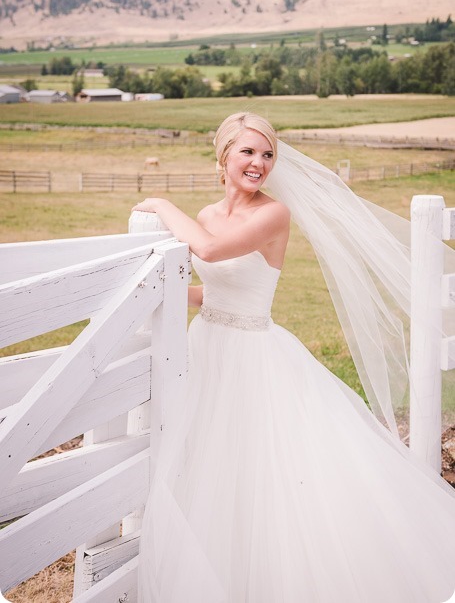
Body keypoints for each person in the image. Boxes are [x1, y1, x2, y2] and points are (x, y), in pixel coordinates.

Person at [132, 112, 455, 603]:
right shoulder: (206, 216)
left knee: (263, 472)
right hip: (208, 346)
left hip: (253, 356)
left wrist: (159, 203)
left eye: (267, 154)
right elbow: (215, 287)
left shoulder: (274, 214)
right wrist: (166, 294)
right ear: (223, 156)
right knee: (207, 466)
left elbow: (214, 253)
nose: (258, 163)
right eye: (247, 152)